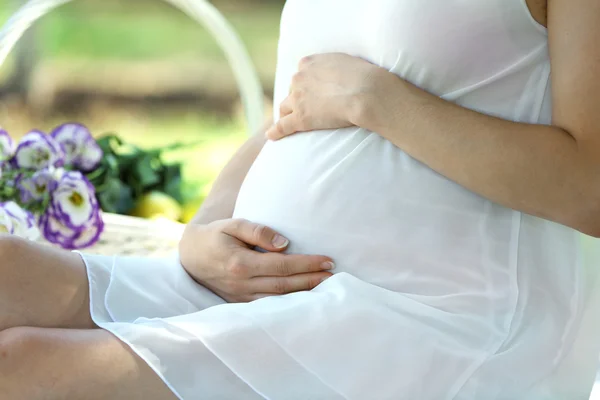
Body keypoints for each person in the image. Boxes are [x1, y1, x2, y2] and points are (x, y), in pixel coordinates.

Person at [1, 0, 600, 398]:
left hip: (435, 316)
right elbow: (300, 108)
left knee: (22, 367)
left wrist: (378, 101)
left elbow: (590, 188)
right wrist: (206, 228)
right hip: (270, 289)